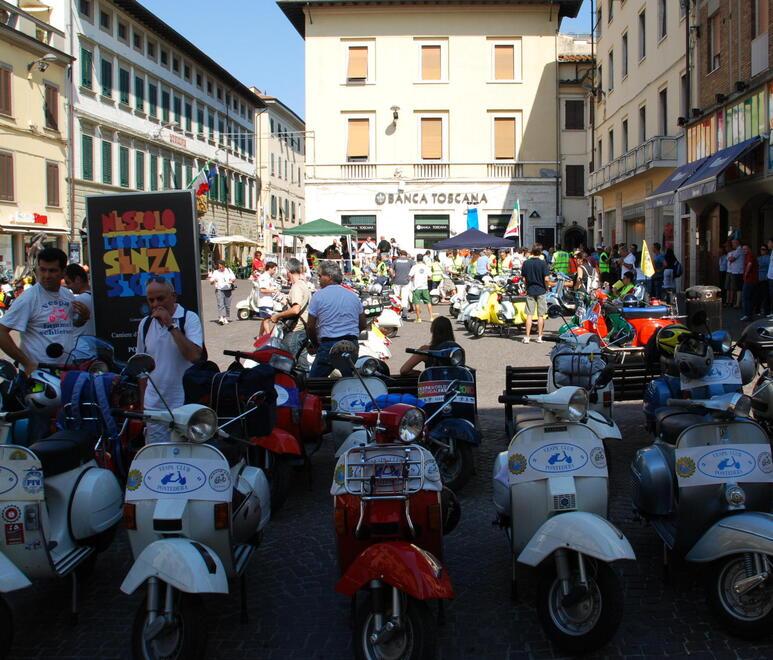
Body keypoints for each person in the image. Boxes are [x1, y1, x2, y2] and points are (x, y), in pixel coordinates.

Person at [0, 247, 90, 374]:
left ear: (63, 272)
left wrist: (83, 318)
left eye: (52, 271)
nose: (46, 276)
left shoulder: (67, 295)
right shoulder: (29, 298)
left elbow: (69, 325)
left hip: (66, 370)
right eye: (42, 270)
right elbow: (1, 331)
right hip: (38, 374)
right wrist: (27, 363)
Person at [136, 278, 203, 443]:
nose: (155, 304)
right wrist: (143, 406)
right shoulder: (145, 324)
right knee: (158, 455)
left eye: (160, 298)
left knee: (185, 453)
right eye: (151, 300)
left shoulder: (189, 318)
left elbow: (194, 356)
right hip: (154, 407)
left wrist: (170, 325)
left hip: (184, 404)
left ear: (173, 297)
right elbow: (142, 369)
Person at [306, 261, 366, 377]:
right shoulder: (352, 296)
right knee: (350, 379)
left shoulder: (318, 296)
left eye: (320, 276)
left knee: (314, 382)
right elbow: (363, 324)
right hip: (351, 345)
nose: (318, 279)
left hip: (328, 344)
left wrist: (316, 344)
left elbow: (310, 326)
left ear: (329, 277)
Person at [271, 258, 311, 368]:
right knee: (302, 365)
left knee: (285, 364)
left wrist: (277, 316)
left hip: (295, 331)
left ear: (288, 271)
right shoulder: (303, 284)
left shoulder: (296, 286)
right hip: (303, 329)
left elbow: (295, 309)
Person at [521, 245, 550, 344]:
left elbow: (524, 279)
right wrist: (547, 287)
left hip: (530, 290)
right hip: (541, 290)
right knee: (540, 315)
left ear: (532, 252)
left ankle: (527, 337)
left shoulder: (526, 263)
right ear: (540, 252)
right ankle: (539, 337)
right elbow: (546, 279)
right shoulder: (543, 263)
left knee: (529, 315)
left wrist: (526, 287)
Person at [64, 263, 95, 337]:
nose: (68, 286)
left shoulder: (76, 301)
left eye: (68, 283)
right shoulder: (95, 298)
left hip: (79, 342)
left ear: (78, 279)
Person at [208, 260, 236, 325]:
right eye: (219, 267)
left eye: (222, 267)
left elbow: (234, 278)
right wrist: (212, 281)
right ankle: (221, 317)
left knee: (227, 305)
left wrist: (231, 281)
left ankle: (225, 317)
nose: (220, 268)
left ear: (224, 265)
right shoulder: (216, 272)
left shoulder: (228, 270)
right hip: (219, 289)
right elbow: (211, 282)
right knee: (220, 304)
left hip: (228, 289)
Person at [409, 254, 433, 322]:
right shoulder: (426, 266)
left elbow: (409, 276)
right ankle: (431, 317)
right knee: (428, 302)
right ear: (422, 259)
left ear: (417, 259)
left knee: (417, 303)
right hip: (425, 287)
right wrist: (425, 279)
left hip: (416, 287)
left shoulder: (414, 267)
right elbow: (431, 276)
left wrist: (413, 279)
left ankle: (418, 318)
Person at [257, 262, 279, 335]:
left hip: (269, 301)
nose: (275, 271)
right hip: (264, 302)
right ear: (269, 268)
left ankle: (260, 335)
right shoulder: (263, 277)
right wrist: (273, 290)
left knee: (265, 319)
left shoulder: (270, 277)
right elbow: (262, 290)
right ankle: (268, 336)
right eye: (274, 269)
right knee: (267, 319)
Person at [391, 250, 414, 319]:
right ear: (406, 255)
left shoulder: (395, 261)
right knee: (405, 297)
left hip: (396, 281)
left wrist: (393, 276)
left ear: (400, 254)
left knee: (396, 297)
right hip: (406, 281)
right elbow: (414, 269)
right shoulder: (410, 261)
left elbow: (391, 269)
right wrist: (411, 277)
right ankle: (404, 314)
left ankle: (396, 312)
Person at [741, 244, 758, 321]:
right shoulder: (748, 255)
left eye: (745, 249)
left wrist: (745, 274)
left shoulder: (750, 255)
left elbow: (749, 264)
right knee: (750, 298)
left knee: (746, 297)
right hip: (752, 280)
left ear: (749, 249)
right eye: (743, 249)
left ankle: (747, 315)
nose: (744, 250)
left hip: (749, 280)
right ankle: (750, 315)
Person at [726, 238, 744, 308]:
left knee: (738, 288)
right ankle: (736, 303)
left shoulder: (739, 250)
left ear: (737, 243)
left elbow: (731, 259)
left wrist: (729, 257)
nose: (732, 244)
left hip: (738, 272)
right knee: (736, 288)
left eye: (733, 243)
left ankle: (737, 303)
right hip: (735, 271)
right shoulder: (736, 250)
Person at [757, 244, 770, 316]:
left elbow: (760, 265)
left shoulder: (768, 257)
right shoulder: (759, 257)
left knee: (765, 295)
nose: (762, 250)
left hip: (765, 279)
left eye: (764, 249)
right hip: (758, 279)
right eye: (761, 249)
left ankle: (765, 310)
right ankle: (759, 310)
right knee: (758, 295)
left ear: (767, 250)